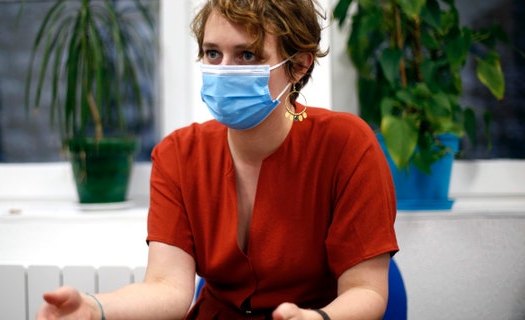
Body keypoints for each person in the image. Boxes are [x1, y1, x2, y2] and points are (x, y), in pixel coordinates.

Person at [36, 0, 398, 319]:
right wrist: (95, 309)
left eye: (247, 55)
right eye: (213, 53)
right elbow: (167, 288)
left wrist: (317, 319)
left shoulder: (347, 145)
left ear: (299, 65)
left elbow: (366, 292)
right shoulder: (178, 154)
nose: (224, 69)